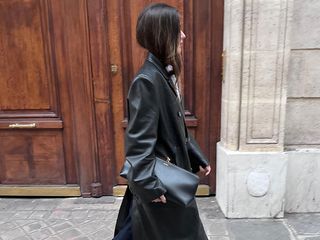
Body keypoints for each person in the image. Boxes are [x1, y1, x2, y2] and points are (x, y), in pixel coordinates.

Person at [113, 3, 211, 240]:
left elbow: (176, 127)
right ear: (163, 34)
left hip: (169, 177)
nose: (183, 36)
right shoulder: (147, 81)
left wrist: (196, 155)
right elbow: (138, 143)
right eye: (178, 30)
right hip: (161, 185)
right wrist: (149, 187)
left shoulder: (163, 74)